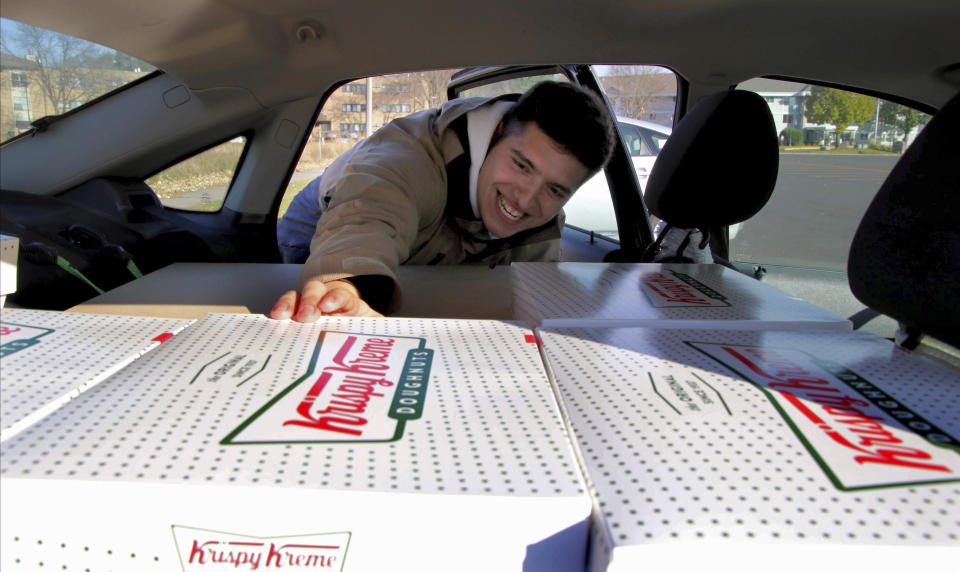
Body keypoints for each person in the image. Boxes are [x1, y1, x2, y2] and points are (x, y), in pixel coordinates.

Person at [271, 81, 616, 321]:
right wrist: (347, 288)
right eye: (521, 165)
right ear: (496, 134)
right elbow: (364, 220)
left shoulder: (544, 221)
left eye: (555, 190)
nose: (526, 199)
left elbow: (530, 302)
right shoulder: (409, 158)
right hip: (323, 218)